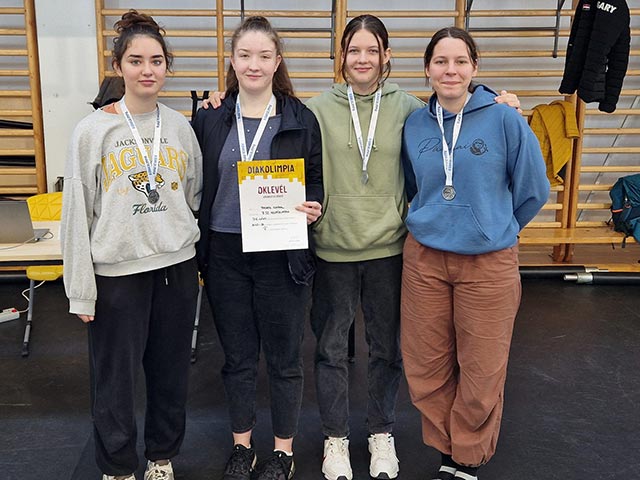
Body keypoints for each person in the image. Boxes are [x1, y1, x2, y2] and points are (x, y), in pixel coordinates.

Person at [201, 15, 520, 480]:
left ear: (386, 56)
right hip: (333, 248)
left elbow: (457, 102)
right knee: (330, 349)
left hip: (390, 249)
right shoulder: (312, 111)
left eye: (372, 50)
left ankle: (380, 433)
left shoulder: (411, 109)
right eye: (354, 50)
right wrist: (221, 96)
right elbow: (293, 158)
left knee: (386, 350)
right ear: (342, 56)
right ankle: (335, 438)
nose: (363, 59)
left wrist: (495, 98)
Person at [400, 27, 550, 480]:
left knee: (482, 369)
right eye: (441, 61)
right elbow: (414, 186)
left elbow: (533, 189)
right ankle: (446, 450)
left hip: (488, 262)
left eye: (460, 61)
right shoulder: (415, 124)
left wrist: (496, 227)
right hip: (425, 260)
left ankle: (466, 457)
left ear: (475, 68)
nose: (451, 70)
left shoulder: (504, 118)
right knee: (425, 365)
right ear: (427, 69)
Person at [60, 10, 202, 480]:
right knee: (114, 381)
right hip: (117, 276)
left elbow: (193, 194)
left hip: (176, 270)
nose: (147, 70)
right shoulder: (92, 131)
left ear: (167, 67)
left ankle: (161, 458)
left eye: (156, 61)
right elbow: (76, 213)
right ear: (118, 66)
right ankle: (119, 467)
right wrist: (81, 290)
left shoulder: (180, 127)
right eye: (136, 61)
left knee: (170, 375)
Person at [191, 16, 323, 480]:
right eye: (245, 55)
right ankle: (242, 446)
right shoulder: (210, 116)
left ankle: (283, 451)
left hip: (281, 251)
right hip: (225, 253)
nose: (254, 64)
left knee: (285, 357)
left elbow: (316, 182)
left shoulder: (300, 117)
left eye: (264, 56)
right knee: (238, 358)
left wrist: (314, 207)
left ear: (277, 61)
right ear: (231, 60)